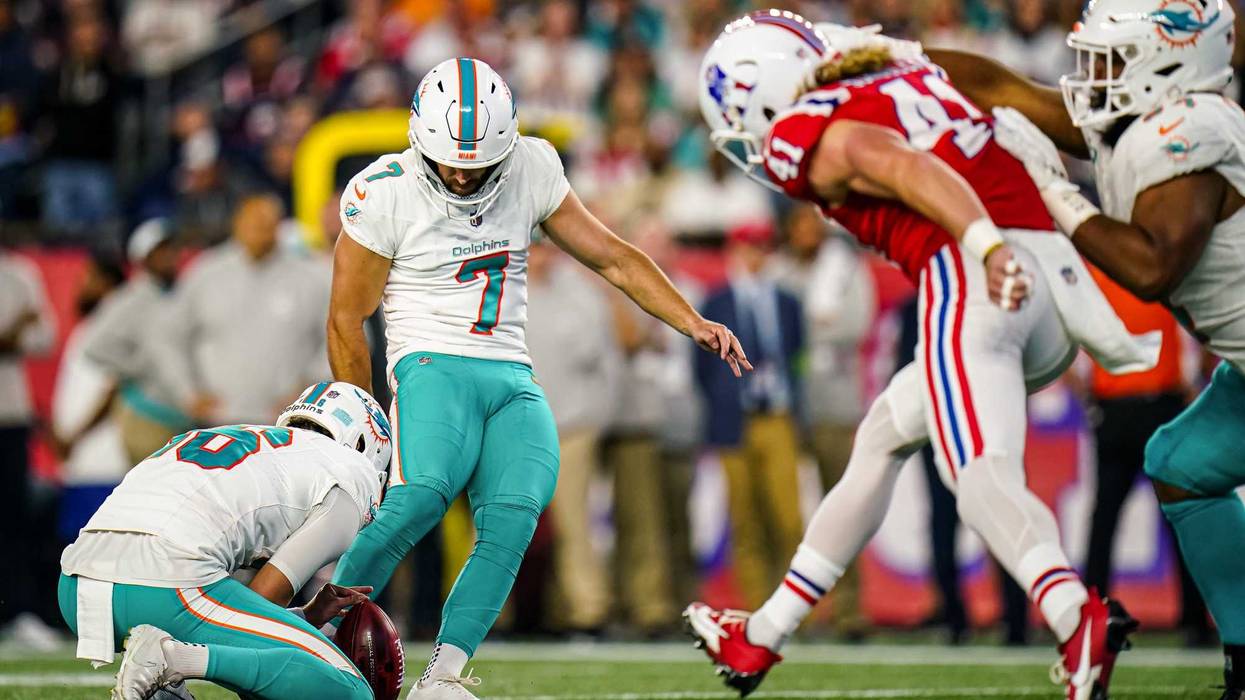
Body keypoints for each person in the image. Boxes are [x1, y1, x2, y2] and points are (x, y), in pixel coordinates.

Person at [683, 13, 1157, 699]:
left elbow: (901, 165)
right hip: (1048, 281)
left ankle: (1072, 615)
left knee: (975, 473)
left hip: (975, 276)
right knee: (883, 435)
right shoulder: (899, 72)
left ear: (762, 92)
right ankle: (761, 637)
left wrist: (983, 247)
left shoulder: (801, 126)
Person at [325, 57, 748, 699]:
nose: (465, 175)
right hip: (430, 362)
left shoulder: (532, 164)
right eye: (452, 162)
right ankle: (306, 634)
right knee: (419, 494)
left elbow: (612, 255)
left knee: (517, 513)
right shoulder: (382, 189)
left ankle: (442, 679)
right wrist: (363, 416)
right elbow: (346, 318)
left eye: (479, 163)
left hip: (510, 369)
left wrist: (690, 321)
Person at [927, 0, 1245, 693]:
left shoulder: (1193, 131)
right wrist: (886, 65)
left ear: (1168, 64)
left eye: (1110, 60)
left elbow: (1151, 267)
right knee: (1180, 463)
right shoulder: (1141, 118)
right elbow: (1002, 88)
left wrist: (1058, 196)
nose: (1090, 76)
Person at [59, 382, 391, 700]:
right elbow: (265, 597)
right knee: (351, 689)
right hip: (164, 584)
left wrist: (303, 617)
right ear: (365, 446)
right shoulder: (350, 474)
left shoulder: (243, 437)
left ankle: (161, 688)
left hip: (77, 587)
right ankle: (172, 660)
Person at [696, 221, 805, 611]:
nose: (755, 256)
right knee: (745, 520)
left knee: (789, 518)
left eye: (762, 248)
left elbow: (796, 358)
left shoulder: (787, 301)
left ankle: (793, 609)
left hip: (776, 414)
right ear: (735, 251)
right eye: (748, 247)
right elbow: (702, 369)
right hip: (735, 418)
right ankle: (758, 609)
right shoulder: (717, 302)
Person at [154, 194, 331, 426]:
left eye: (266, 223)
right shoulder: (206, 273)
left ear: (278, 226)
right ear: (236, 224)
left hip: (286, 424)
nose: (259, 230)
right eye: (252, 222)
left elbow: (338, 338)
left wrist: (310, 392)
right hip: (218, 422)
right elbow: (166, 336)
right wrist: (187, 393)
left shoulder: (311, 276)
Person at [81, 219, 189, 464]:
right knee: (157, 493)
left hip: (175, 414)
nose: (169, 256)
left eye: (171, 249)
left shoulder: (175, 294)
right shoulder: (131, 298)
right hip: (145, 413)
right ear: (143, 258)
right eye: (160, 251)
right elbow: (94, 346)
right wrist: (140, 367)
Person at [0, 246, 56, 644]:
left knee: (12, 519)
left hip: (9, 415)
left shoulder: (19, 272)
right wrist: (13, 328)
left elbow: (45, 335)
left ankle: (17, 611)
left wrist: (19, 332)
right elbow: (21, 333)